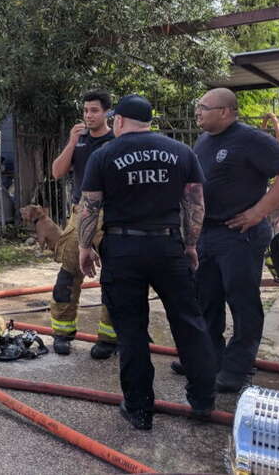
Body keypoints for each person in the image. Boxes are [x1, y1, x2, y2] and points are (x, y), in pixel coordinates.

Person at [79, 94, 216, 430]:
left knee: (131, 330)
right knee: (189, 322)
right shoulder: (181, 152)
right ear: (148, 121)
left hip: (123, 248)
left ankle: (139, 409)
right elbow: (195, 204)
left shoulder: (103, 155)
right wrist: (191, 244)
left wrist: (84, 247)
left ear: (119, 120)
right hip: (167, 245)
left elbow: (90, 206)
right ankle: (203, 401)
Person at [184, 88, 279, 392]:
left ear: (225, 111)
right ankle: (210, 358)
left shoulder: (250, 138)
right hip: (208, 233)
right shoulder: (204, 140)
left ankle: (237, 368)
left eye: (204, 107)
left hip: (239, 234)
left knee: (242, 302)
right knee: (206, 299)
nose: (198, 112)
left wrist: (259, 211)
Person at [48, 90, 116, 358]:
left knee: (115, 277)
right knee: (68, 271)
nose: (89, 116)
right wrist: (71, 141)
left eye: (95, 110)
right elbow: (57, 172)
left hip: (112, 215)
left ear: (107, 112)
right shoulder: (79, 140)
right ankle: (62, 333)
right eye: (86, 110)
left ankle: (109, 338)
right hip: (81, 213)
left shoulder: (116, 140)